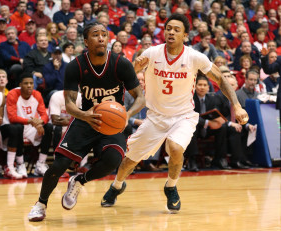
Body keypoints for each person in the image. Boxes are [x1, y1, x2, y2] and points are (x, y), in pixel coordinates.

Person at [101, 13, 248, 213]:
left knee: (175, 147)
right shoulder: (152, 53)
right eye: (168, 28)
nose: (171, 32)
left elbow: (221, 79)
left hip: (183, 117)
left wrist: (237, 106)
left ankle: (170, 186)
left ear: (185, 36)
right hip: (155, 118)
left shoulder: (195, 57)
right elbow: (130, 70)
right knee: (130, 160)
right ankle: (117, 186)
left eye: (176, 30)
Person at [27, 22, 145, 221]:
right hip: (86, 119)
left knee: (113, 161)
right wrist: (85, 116)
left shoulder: (121, 64)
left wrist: (126, 115)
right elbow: (70, 103)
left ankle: (80, 181)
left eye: (104, 35)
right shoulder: (76, 66)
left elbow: (140, 97)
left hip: (112, 123)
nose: (101, 38)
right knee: (58, 165)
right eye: (95, 35)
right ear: (85, 41)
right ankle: (40, 204)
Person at [5, 72, 53, 178]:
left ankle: (40, 164)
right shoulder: (13, 94)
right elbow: (12, 118)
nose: (29, 85)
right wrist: (31, 122)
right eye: (26, 83)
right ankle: (20, 164)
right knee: (18, 127)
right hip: (16, 127)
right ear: (20, 84)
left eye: (31, 83)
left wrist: (40, 122)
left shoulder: (37, 94)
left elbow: (44, 115)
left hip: (31, 127)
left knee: (48, 127)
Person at [184, 75, 230, 172]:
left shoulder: (213, 98)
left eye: (205, 85)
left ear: (208, 87)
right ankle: (192, 160)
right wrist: (207, 122)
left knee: (222, 127)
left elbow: (215, 114)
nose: (202, 87)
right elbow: (190, 116)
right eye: (200, 85)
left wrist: (219, 120)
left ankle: (219, 158)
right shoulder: (189, 98)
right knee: (191, 127)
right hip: (195, 127)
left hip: (208, 128)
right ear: (195, 86)